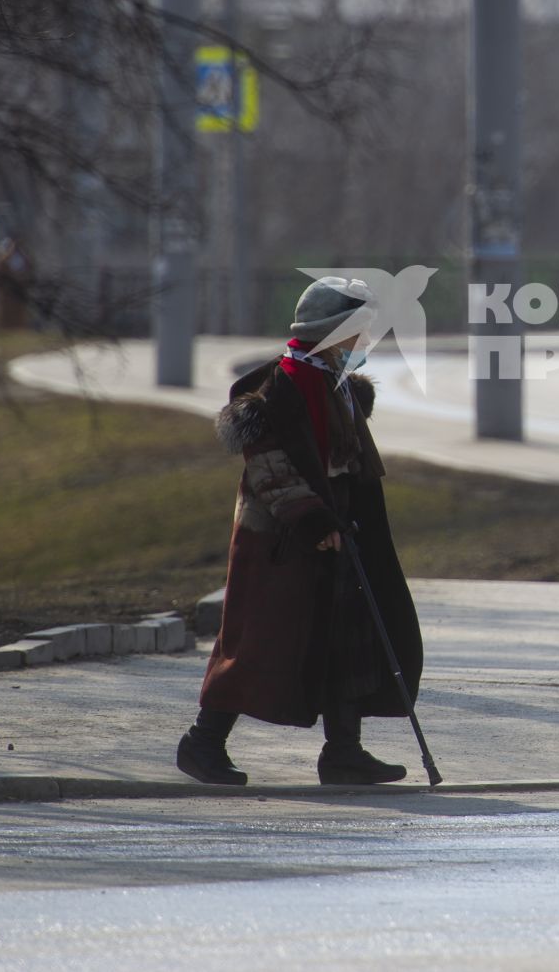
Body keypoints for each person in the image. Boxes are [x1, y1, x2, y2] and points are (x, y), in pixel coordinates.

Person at [176, 277, 424, 786]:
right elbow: (270, 470)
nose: (364, 342)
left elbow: (347, 462)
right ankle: (201, 743)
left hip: (339, 535)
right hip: (279, 544)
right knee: (259, 645)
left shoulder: (340, 385)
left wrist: (347, 522)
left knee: (347, 643)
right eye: (357, 332)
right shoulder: (278, 389)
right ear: (328, 332)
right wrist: (313, 520)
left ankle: (344, 753)